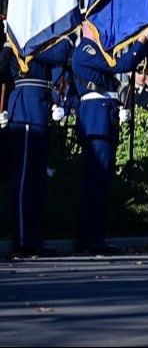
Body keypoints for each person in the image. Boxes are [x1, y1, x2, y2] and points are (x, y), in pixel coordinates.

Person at [71, 24, 148, 254]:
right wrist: (140, 43)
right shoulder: (87, 49)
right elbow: (121, 65)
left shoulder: (95, 50)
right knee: (96, 182)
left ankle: (94, 236)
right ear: (88, 29)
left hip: (102, 116)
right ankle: (90, 238)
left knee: (100, 182)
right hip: (97, 118)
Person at [4, 33, 74, 256]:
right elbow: (59, 52)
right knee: (24, 180)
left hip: (39, 107)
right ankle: (23, 239)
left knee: (37, 180)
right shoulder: (17, 43)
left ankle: (34, 237)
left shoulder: (35, 43)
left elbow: (58, 57)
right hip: (25, 109)